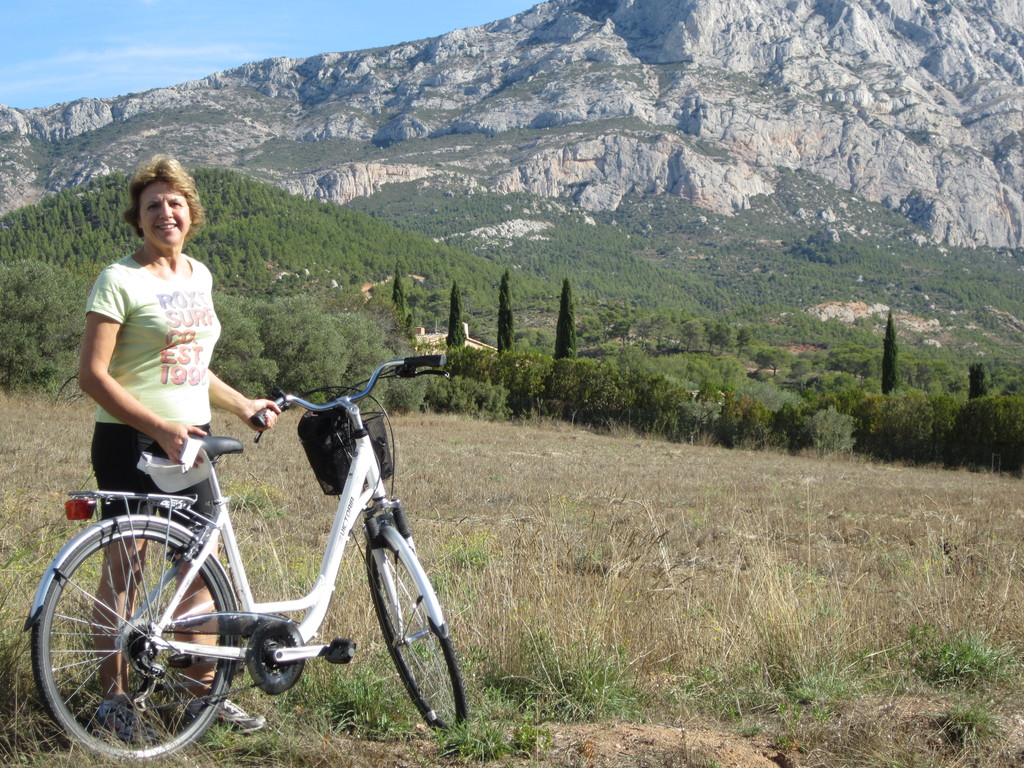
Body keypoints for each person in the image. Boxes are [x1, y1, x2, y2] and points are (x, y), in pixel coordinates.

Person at [78, 154, 280, 740]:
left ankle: (202, 700)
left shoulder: (200, 275)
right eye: (152, 205)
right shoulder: (120, 279)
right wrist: (161, 428)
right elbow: (93, 375)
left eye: (175, 202)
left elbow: (194, 368)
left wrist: (242, 405)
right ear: (136, 219)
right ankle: (114, 702)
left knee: (196, 575)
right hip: (132, 440)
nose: (165, 212)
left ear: (191, 212)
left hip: (191, 443)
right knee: (127, 570)